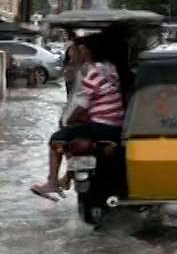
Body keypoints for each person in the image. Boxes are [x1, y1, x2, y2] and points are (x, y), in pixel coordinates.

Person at [31, 41, 124, 198]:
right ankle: (68, 177)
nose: (73, 53)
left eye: (77, 50)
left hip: (103, 125)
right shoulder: (110, 68)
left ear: (87, 51)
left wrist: (71, 121)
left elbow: (82, 106)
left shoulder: (93, 72)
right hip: (116, 124)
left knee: (57, 139)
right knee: (72, 136)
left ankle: (53, 182)